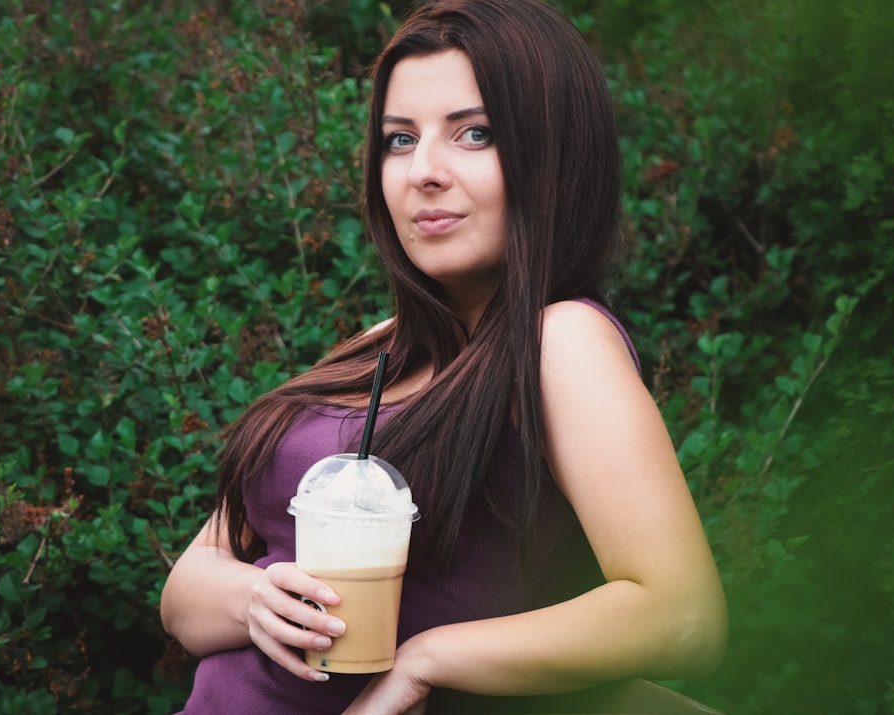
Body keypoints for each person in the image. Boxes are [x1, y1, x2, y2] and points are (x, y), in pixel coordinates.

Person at [159, 0, 728, 712]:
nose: (422, 171)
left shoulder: (559, 343)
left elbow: (681, 617)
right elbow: (185, 595)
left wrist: (428, 659)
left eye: (474, 133)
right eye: (399, 140)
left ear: (551, 154)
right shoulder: (374, 347)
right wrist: (253, 596)